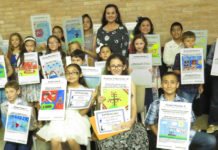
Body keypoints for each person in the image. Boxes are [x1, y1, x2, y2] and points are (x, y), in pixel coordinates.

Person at [145, 72, 216, 150]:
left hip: (184, 133)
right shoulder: (155, 104)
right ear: (161, 85)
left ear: (177, 85)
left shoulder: (184, 102)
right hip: (165, 136)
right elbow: (151, 124)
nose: (169, 85)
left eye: (172, 82)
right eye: (165, 82)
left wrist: (188, 129)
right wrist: (159, 137)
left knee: (211, 140)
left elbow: (190, 121)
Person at [37, 64, 97, 150]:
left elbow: (82, 112)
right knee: (54, 140)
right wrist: (43, 105)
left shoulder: (84, 90)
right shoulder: (60, 88)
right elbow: (52, 104)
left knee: (71, 139)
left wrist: (92, 100)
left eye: (74, 73)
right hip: (60, 117)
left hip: (77, 118)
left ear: (80, 74)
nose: (70, 75)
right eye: (68, 73)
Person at [96, 54, 149, 150]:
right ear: (108, 68)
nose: (116, 68)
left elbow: (133, 104)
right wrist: (99, 101)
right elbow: (98, 110)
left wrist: (131, 121)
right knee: (107, 142)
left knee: (139, 136)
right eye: (113, 66)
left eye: (119, 65)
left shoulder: (130, 82)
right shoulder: (103, 83)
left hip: (127, 120)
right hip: (108, 122)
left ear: (124, 67)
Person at [1, 80, 35, 150]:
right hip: (12, 133)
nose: (9, 94)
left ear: (18, 92)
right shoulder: (3, 106)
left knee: (22, 148)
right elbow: (6, 121)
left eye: (11, 91)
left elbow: (32, 121)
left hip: (25, 133)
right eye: (6, 92)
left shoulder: (24, 104)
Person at [173, 31, 204, 103]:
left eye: (192, 41)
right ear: (183, 42)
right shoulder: (179, 55)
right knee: (185, 106)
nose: (190, 43)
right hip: (184, 86)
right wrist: (184, 72)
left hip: (195, 86)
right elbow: (175, 70)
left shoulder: (199, 55)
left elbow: (201, 71)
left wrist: (201, 85)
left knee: (190, 105)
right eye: (188, 41)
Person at [17, 36, 41, 103]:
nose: (29, 48)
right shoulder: (21, 56)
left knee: (38, 101)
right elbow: (19, 68)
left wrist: (40, 68)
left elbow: (43, 68)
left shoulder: (39, 55)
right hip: (26, 83)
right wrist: (18, 70)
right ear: (24, 46)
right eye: (27, 46)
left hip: (36, 82)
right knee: (29, 103)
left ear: (35, 46)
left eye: (31, 45)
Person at [206, 41, 218, 133]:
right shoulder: (215, 44)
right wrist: (215, 65)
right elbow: (209, 59)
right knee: (215, 101)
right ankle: (212, 123)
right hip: (216, 76)